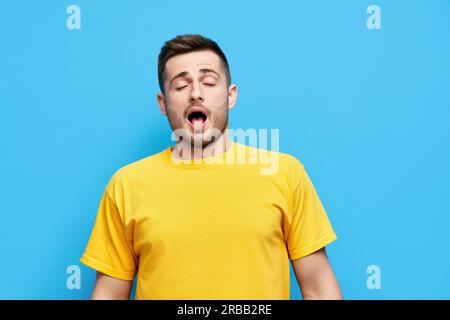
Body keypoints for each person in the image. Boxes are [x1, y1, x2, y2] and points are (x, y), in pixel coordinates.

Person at [80, 34, 343, 300]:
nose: (196, 93)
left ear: (231, 95)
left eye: (208, 82)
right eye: (181, 85)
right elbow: (109, 295)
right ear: (163, 103)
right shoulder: (127, 184)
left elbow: (320, 290)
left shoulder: (284, 173)